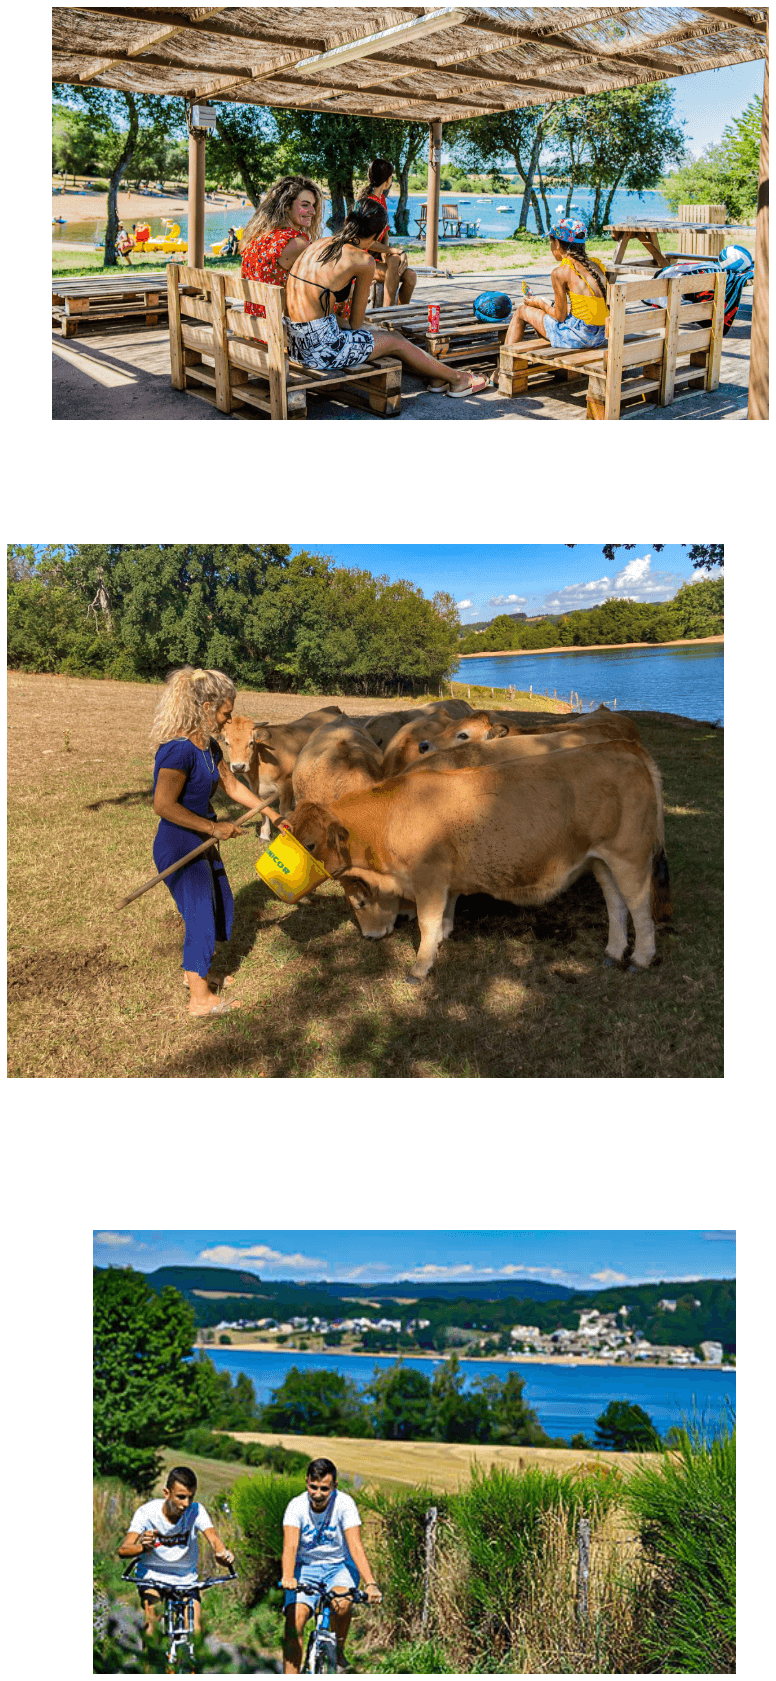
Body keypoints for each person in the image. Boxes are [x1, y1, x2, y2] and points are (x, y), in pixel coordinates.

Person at [150, 666, 266, 1019]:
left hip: (201, 838)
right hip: (179, 844)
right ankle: (200, 999)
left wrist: (270, 815)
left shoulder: (209, 746)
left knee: (216, 907)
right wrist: (213, 828)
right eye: (224, 712)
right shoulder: (177, 751)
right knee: (199, 915)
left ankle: (197, 974)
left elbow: (231, 786)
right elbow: (163, 804)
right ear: (204, 707)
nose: (227, 719)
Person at [283, 198, 490, 397]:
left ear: (348, 221)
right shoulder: (363, 261)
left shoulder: (321, 243)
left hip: (295, 344)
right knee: (395, 340)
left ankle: (437, 377)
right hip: (320, 352)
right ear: (380, 233)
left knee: (380, 334)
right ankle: (458, 379)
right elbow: (355, 324)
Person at [281, 1458, 382, 1675]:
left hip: (339, 1566)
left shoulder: (345, 1504)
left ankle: (338, 1648)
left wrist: (371, 1583)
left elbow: (355, 1545)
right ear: (306, 1482)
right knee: (294, 1621)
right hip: (305, 1567)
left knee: (342, 1604)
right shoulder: (296, 1506)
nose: (317, 1494)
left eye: (324, 1489)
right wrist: (288, 1576)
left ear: (334, 1487)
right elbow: (290, 1546)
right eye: (313, 1487)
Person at [118, 1466, 234, 1648]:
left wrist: (222, 1554)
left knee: (196, 1630)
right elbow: (123, 1549)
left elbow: (214, 1540)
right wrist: (143, 1547)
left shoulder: (196, 1511)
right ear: (166, 1493)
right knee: (153, 1622)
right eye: (181, 1497)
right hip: (152, 1576)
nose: (186, 1503)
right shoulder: (147, 1513)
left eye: (191, 1497)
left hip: (186, 1578)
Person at [491, 210, 609, 383]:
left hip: (579, 337)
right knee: (542, 314)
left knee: (522, 311)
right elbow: (585, 307)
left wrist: (539, 302)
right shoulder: (596, 266)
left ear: (558, 245)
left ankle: (502, 373)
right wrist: (546, 306)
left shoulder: (561, 272)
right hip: (599, 336)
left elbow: (560, 317)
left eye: (551, 242)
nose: (550, 246)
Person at [239, 176, 325, 321]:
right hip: (279, 332)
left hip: (257, 328)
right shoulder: (297, 243)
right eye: (305, 205)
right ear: (286, 206)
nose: (313, 212)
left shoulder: (258, 239)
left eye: (313, 205)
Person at [357, 157, 417, 308]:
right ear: (388, 180)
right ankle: (387, 312)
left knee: (410, 276)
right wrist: (396, 251)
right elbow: (367, 242)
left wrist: (386, 253)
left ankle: (399, 313)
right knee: (396, 258)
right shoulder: (367, 203)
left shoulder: (381, 199)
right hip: (362, 260)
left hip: (376, 258)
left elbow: (385, 233)